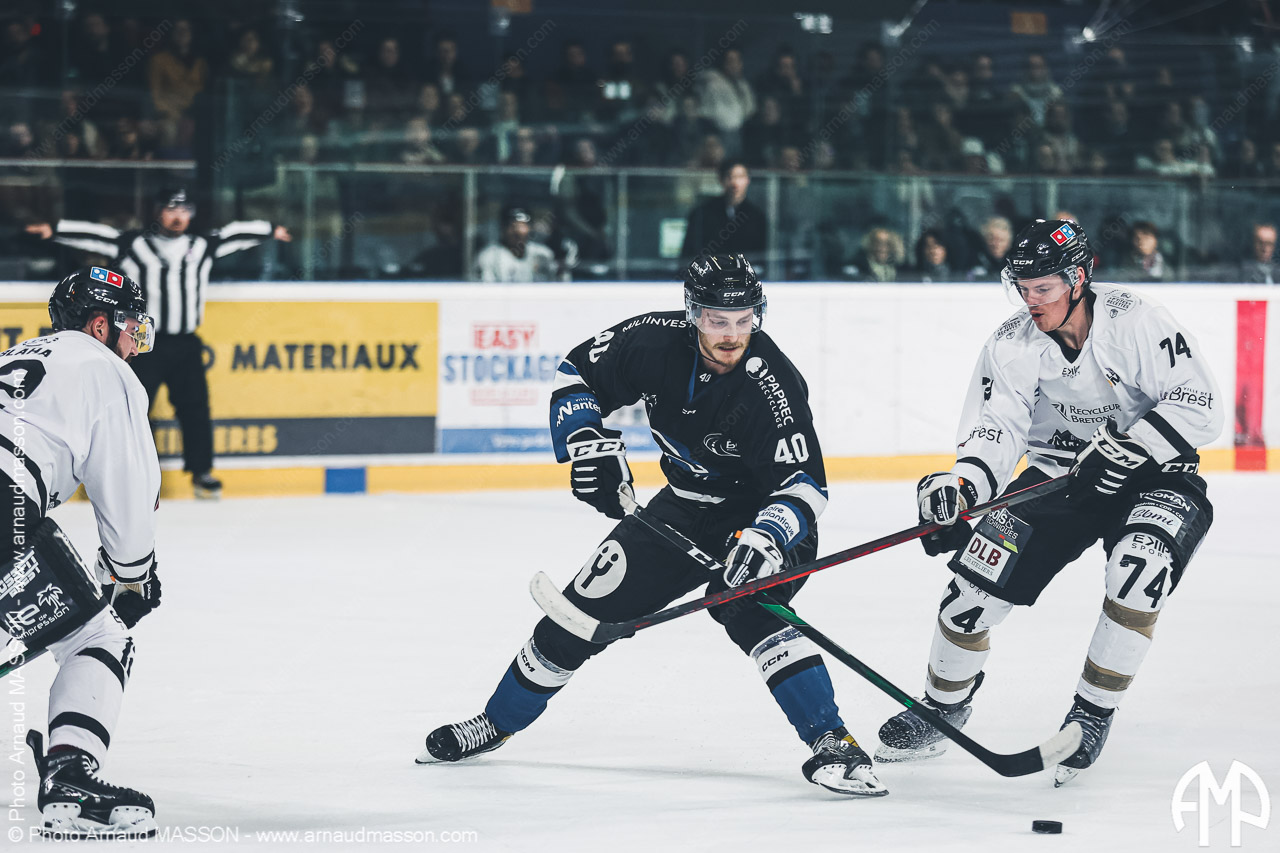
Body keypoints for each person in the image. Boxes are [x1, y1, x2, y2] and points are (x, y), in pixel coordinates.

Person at [417, 255, 887, 797]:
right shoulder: (652, 340)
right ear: (693, 314)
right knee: (578, 614)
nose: (732, 335)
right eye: (717, 320)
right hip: (681, 508)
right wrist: (588, 443)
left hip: (762, 519)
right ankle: (496, 722)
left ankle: (834, 743)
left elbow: (804, 486)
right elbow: (576, 372)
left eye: (744, 320)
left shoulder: (772, 383)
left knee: (748, 608)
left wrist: (765, 537)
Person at [875, 220, 1221, 786]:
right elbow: (997, 431)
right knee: (970, 589)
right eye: (1023, 288)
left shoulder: (1138, 321)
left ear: (1079, 279)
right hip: (1059, 478)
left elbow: (1201, 404)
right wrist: (961, 487)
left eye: (1044, 288)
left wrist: (1130, 446)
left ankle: (1092, 714)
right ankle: (943, 706)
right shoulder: (1011, 343)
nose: (1031, 301)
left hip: (1156, 475)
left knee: (1140, 568)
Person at [1, 266, 165, 838]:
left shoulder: (15, 356)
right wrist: (133, 576)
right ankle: (70, 776)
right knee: (98, 636)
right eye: (130, 328)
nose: (134, 344)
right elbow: (127, 492)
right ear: (100, 326)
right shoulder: (105, 369)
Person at [26, 188, 291, 499]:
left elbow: (235, 235)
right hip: (141, 343)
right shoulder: (134, 244)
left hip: (186, 342)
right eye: (171, 209)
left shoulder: (201, 245)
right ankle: (132, 472)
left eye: (185, 210)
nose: (178, 216)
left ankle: (201, 473)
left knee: (195, 409)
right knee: (133, 409)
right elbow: (97, 236)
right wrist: (55, 229)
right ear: (157, 212)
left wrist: (270, 229)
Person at [680, 161, 768, 264]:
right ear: (721, 180)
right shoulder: (702, 212)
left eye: (740, 177)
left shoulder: (757, 216)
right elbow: (690, 251)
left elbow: (761, 255)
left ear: (748, 180)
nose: (735, 183)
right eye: (729, 176)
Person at [473, 205, 564, 282]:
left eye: (523, 226)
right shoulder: (488, 257)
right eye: (512, 226)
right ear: (503, 228)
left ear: (530, 228)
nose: (518, 232)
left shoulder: (543, 254)